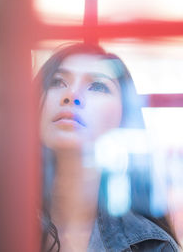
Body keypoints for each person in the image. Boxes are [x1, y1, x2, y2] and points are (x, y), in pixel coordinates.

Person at [37, 43, 180, 251]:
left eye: (97, 85)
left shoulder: (154, 246)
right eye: (57, 81)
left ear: (124, 117)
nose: (72, 95)